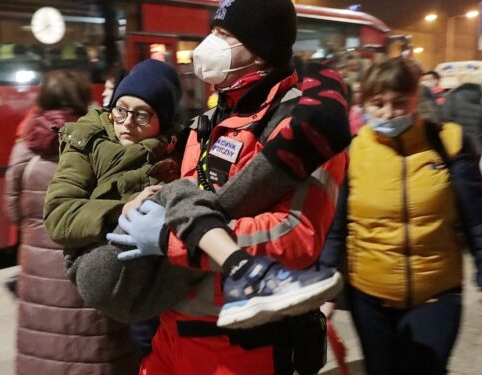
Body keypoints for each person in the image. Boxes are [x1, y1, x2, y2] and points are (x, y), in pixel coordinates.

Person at [102, 0, 349, 373]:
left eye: (224, 35)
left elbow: (297, 236)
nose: (208, 45)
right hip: (171, 333)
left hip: (242, 347)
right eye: (213, 31)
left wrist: (173, 240)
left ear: (261, 49)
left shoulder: (304, 126)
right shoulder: (211, 118)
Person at [332, 57, 482, 375]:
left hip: (436, 292)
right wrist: (326, 284)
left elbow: (477, 217)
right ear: (364, 104)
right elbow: (337, 226)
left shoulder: (448, 143)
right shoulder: (352, 152)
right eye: (378, 103)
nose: (388, 113)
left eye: (399, 103)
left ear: (415, 98)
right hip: (369, 295)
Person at [3, 69, 141, 374]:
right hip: (87, 274)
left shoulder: (24, 149)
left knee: (45, 354)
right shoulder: (103, 144)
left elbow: (13, 213)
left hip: (39, 281)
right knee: (92, 353)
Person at [441, 82, 482, 157]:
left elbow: (445, 118)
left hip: (456, 143)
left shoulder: (452, 97)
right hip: (475, 145)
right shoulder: (479, 102)